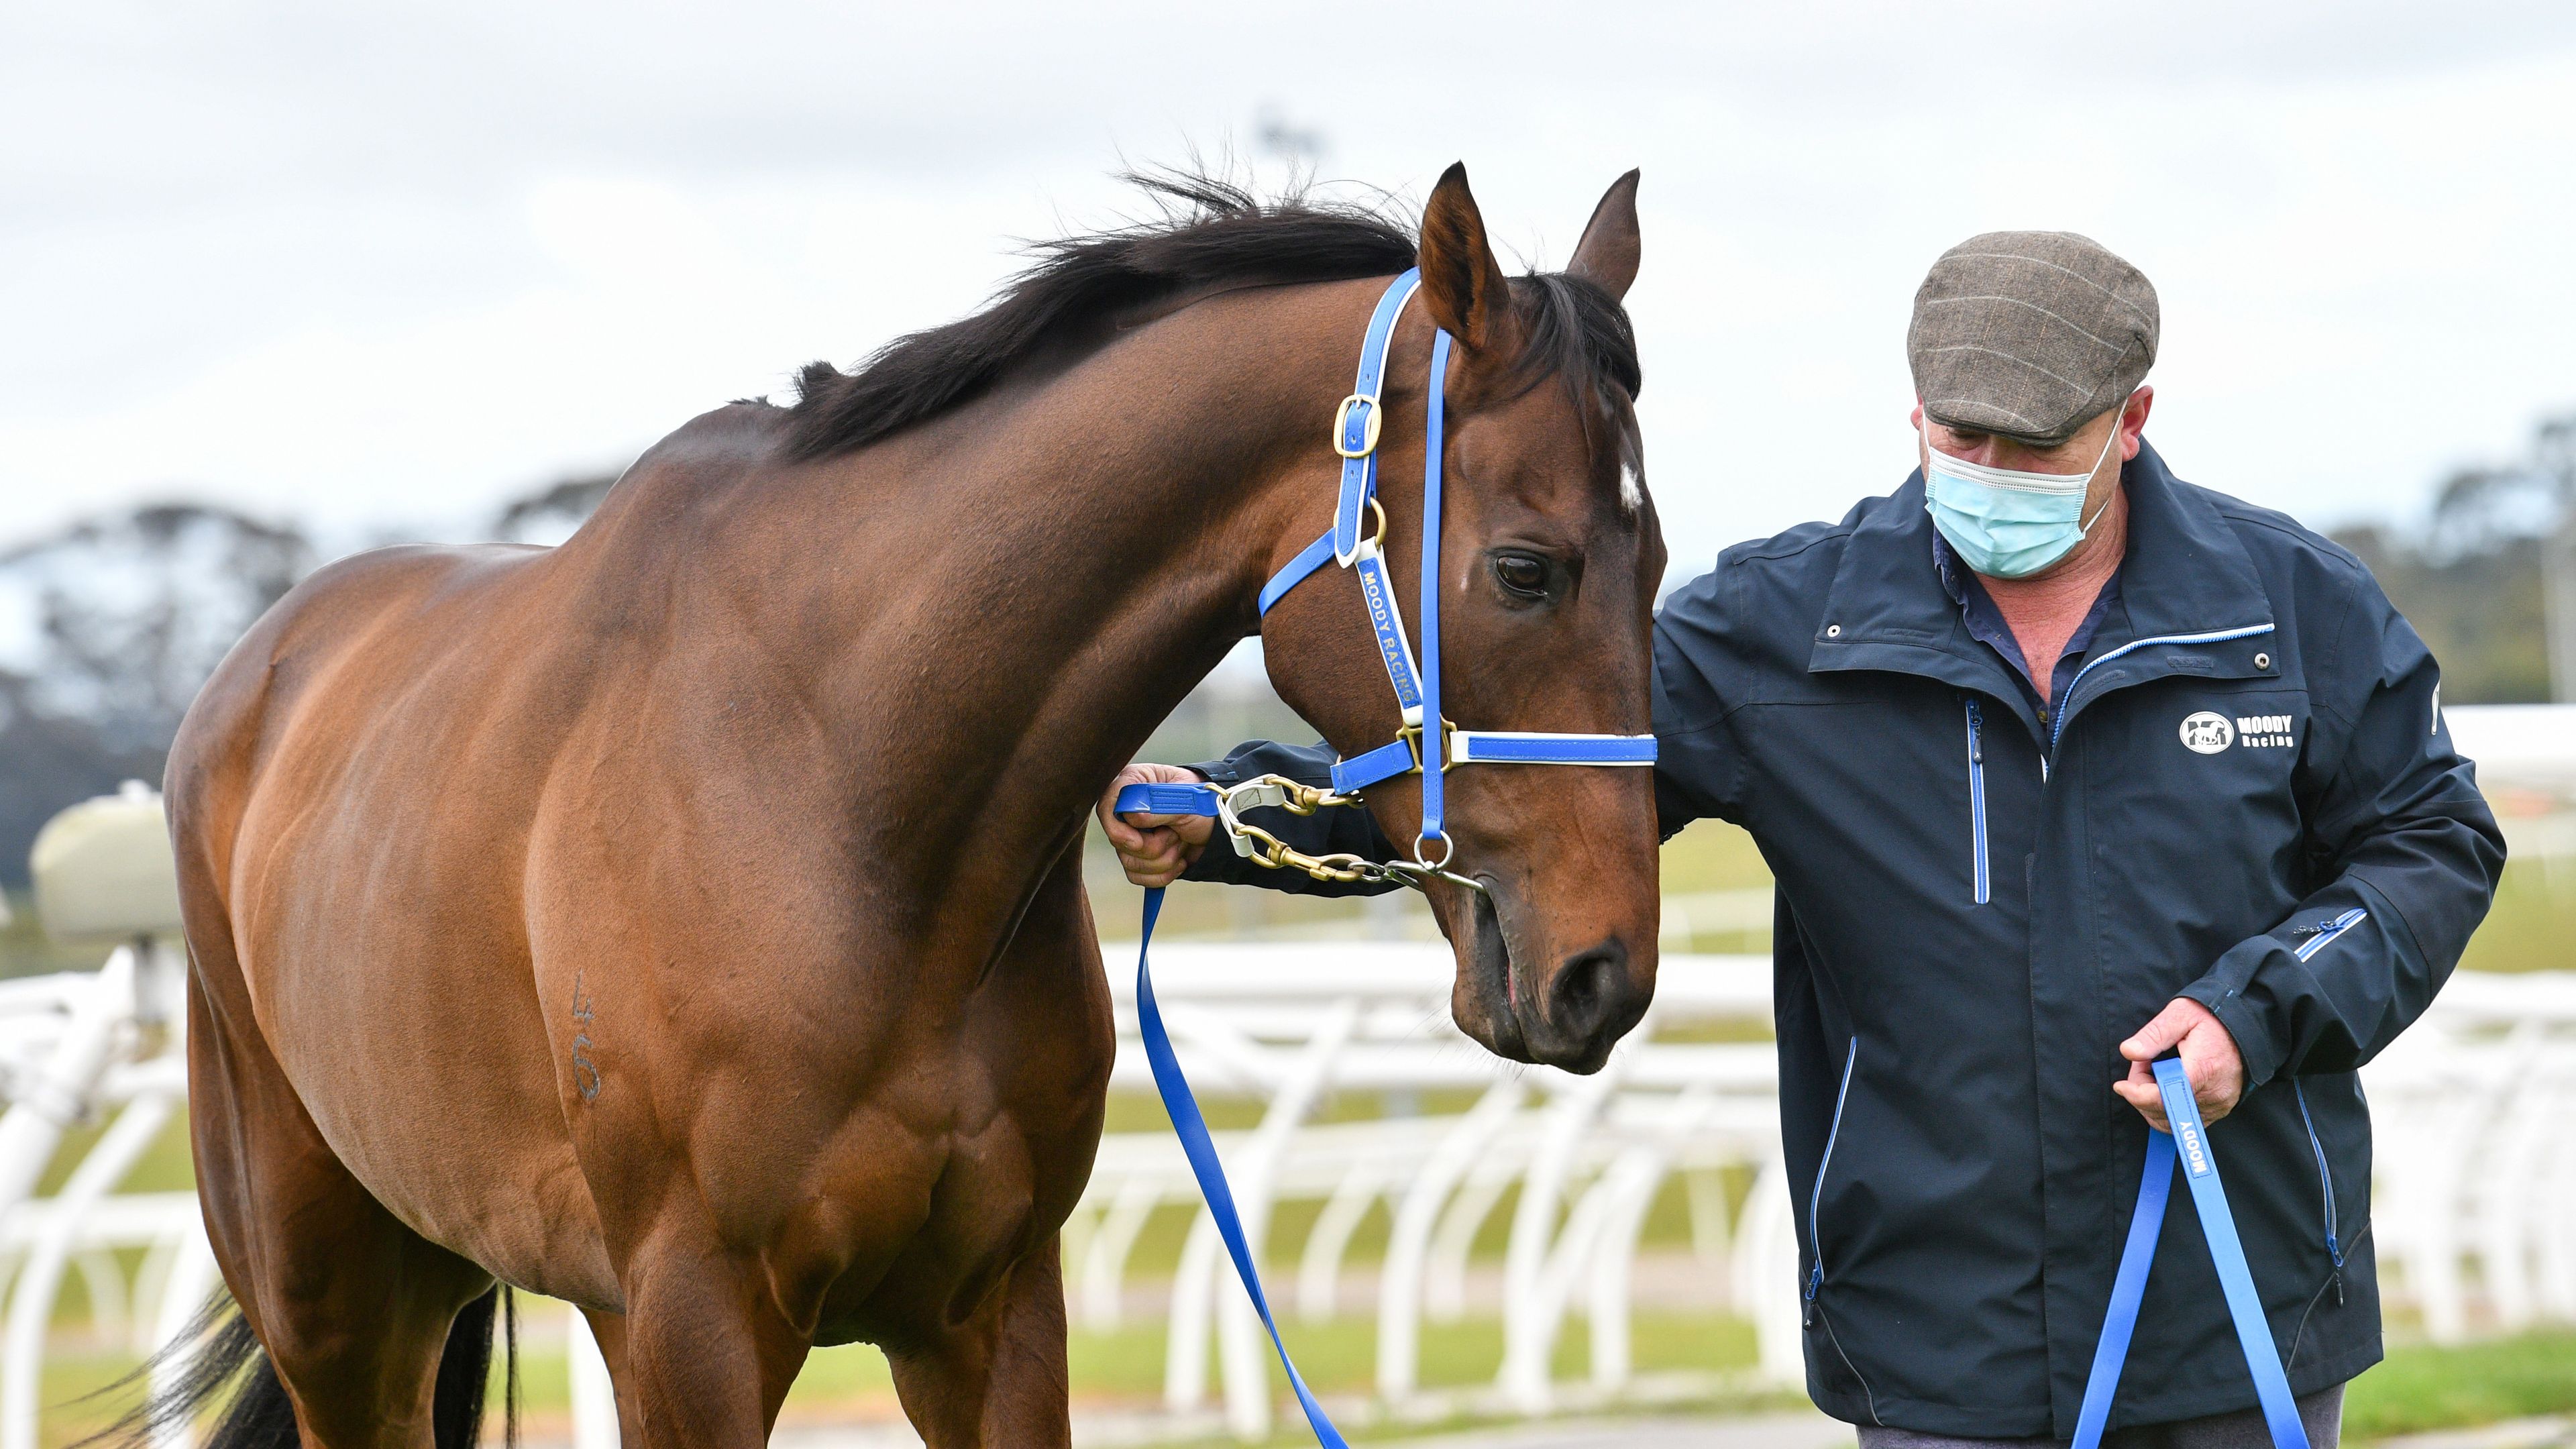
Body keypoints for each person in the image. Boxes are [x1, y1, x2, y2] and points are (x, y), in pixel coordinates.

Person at [1099, 232, 2506, 1448]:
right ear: (1913, 414)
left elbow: (2434, 842)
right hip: (1930, 1339)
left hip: (2241, 1298)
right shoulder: (1778, 631)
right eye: (1962, 441)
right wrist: (1229, 818)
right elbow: (1546, 780)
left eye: (2033, 450)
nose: (1990, 472)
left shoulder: (2291, 607)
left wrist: (2252, 1016)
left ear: (2131, 419)